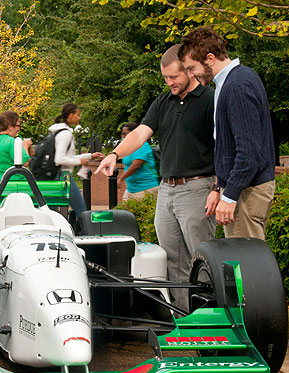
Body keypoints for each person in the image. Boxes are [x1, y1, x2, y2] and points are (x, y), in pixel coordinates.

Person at [96, 44, 216, 313]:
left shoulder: (210, 100)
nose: (169, 82)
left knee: (203, 258)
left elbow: (225, 146)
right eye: (165, 78)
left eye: (173, 77)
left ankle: (210, 320)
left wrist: (219, 188)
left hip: (198, 187)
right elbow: (139, 134)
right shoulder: (163, 102)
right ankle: (182, 320)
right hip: (166, 190)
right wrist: (114, 154)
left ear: (189, 70)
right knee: (172, 260)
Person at [178, 27, 275, 239]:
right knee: (244, 262)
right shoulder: (230, 82)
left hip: (248, 191)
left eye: (192, 68)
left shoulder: (238, 85)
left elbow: (248, 152)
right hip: (242, 188)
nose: (191, 75)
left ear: (210, 58)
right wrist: (218, 187)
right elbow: (228, 149)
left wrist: (229, 196)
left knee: (247, 265)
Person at [49, 104, 104, 216]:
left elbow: (66, 157)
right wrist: (79, 162)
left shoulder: (57, 132)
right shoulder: (65, 134)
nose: (79, 118)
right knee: (81, 211)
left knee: (52, 213)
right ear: (71, 115)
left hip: (54, 175)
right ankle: (85, 231)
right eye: (77, 115)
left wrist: (90, 156)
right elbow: (59, 159)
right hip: (63, 176)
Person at [116, 122, 159, 201]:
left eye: (125, 134)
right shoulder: (129, 147)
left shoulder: (142, 145)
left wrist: (120, 178)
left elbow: (136, 165)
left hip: (146, 189)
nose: (123, 136)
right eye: (122, 134)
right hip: (131, 189)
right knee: (125, 212)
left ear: (133, 133)